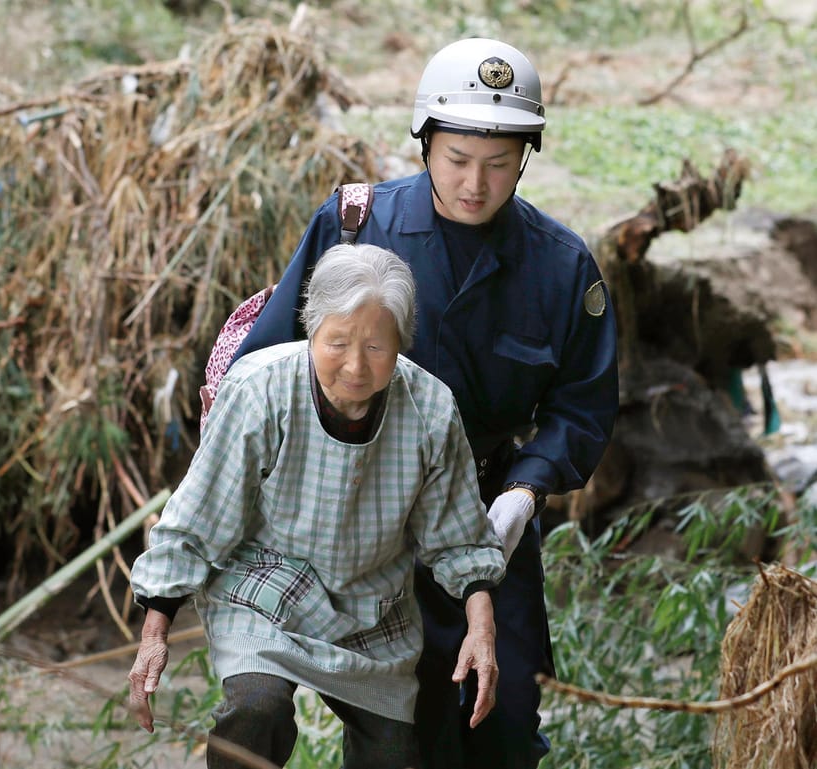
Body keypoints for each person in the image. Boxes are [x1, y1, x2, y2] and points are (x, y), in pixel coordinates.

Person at [232, 38, 620, 769]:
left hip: (482, 522)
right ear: (425, 141)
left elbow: (584, 402)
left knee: (498, 726)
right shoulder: (356, 225)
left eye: (499, 164)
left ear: (527, 157)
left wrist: (527, 488)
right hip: (343, 514)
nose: (476, 183)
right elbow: (263, 369)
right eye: (458, 160)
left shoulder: (561, 266)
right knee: (381, 729)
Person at [127, 243, 507, 769]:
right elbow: (198, 517)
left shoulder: (431, 409)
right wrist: (155, 634)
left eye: (376, 347)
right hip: (264, 588)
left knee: (394, 757)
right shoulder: (260, 389)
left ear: (401, 344)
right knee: (255, 711)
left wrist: (481, 632)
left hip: (373, 607)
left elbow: (460, 537)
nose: (355, 366)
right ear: (310, 329)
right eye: (337, 342)